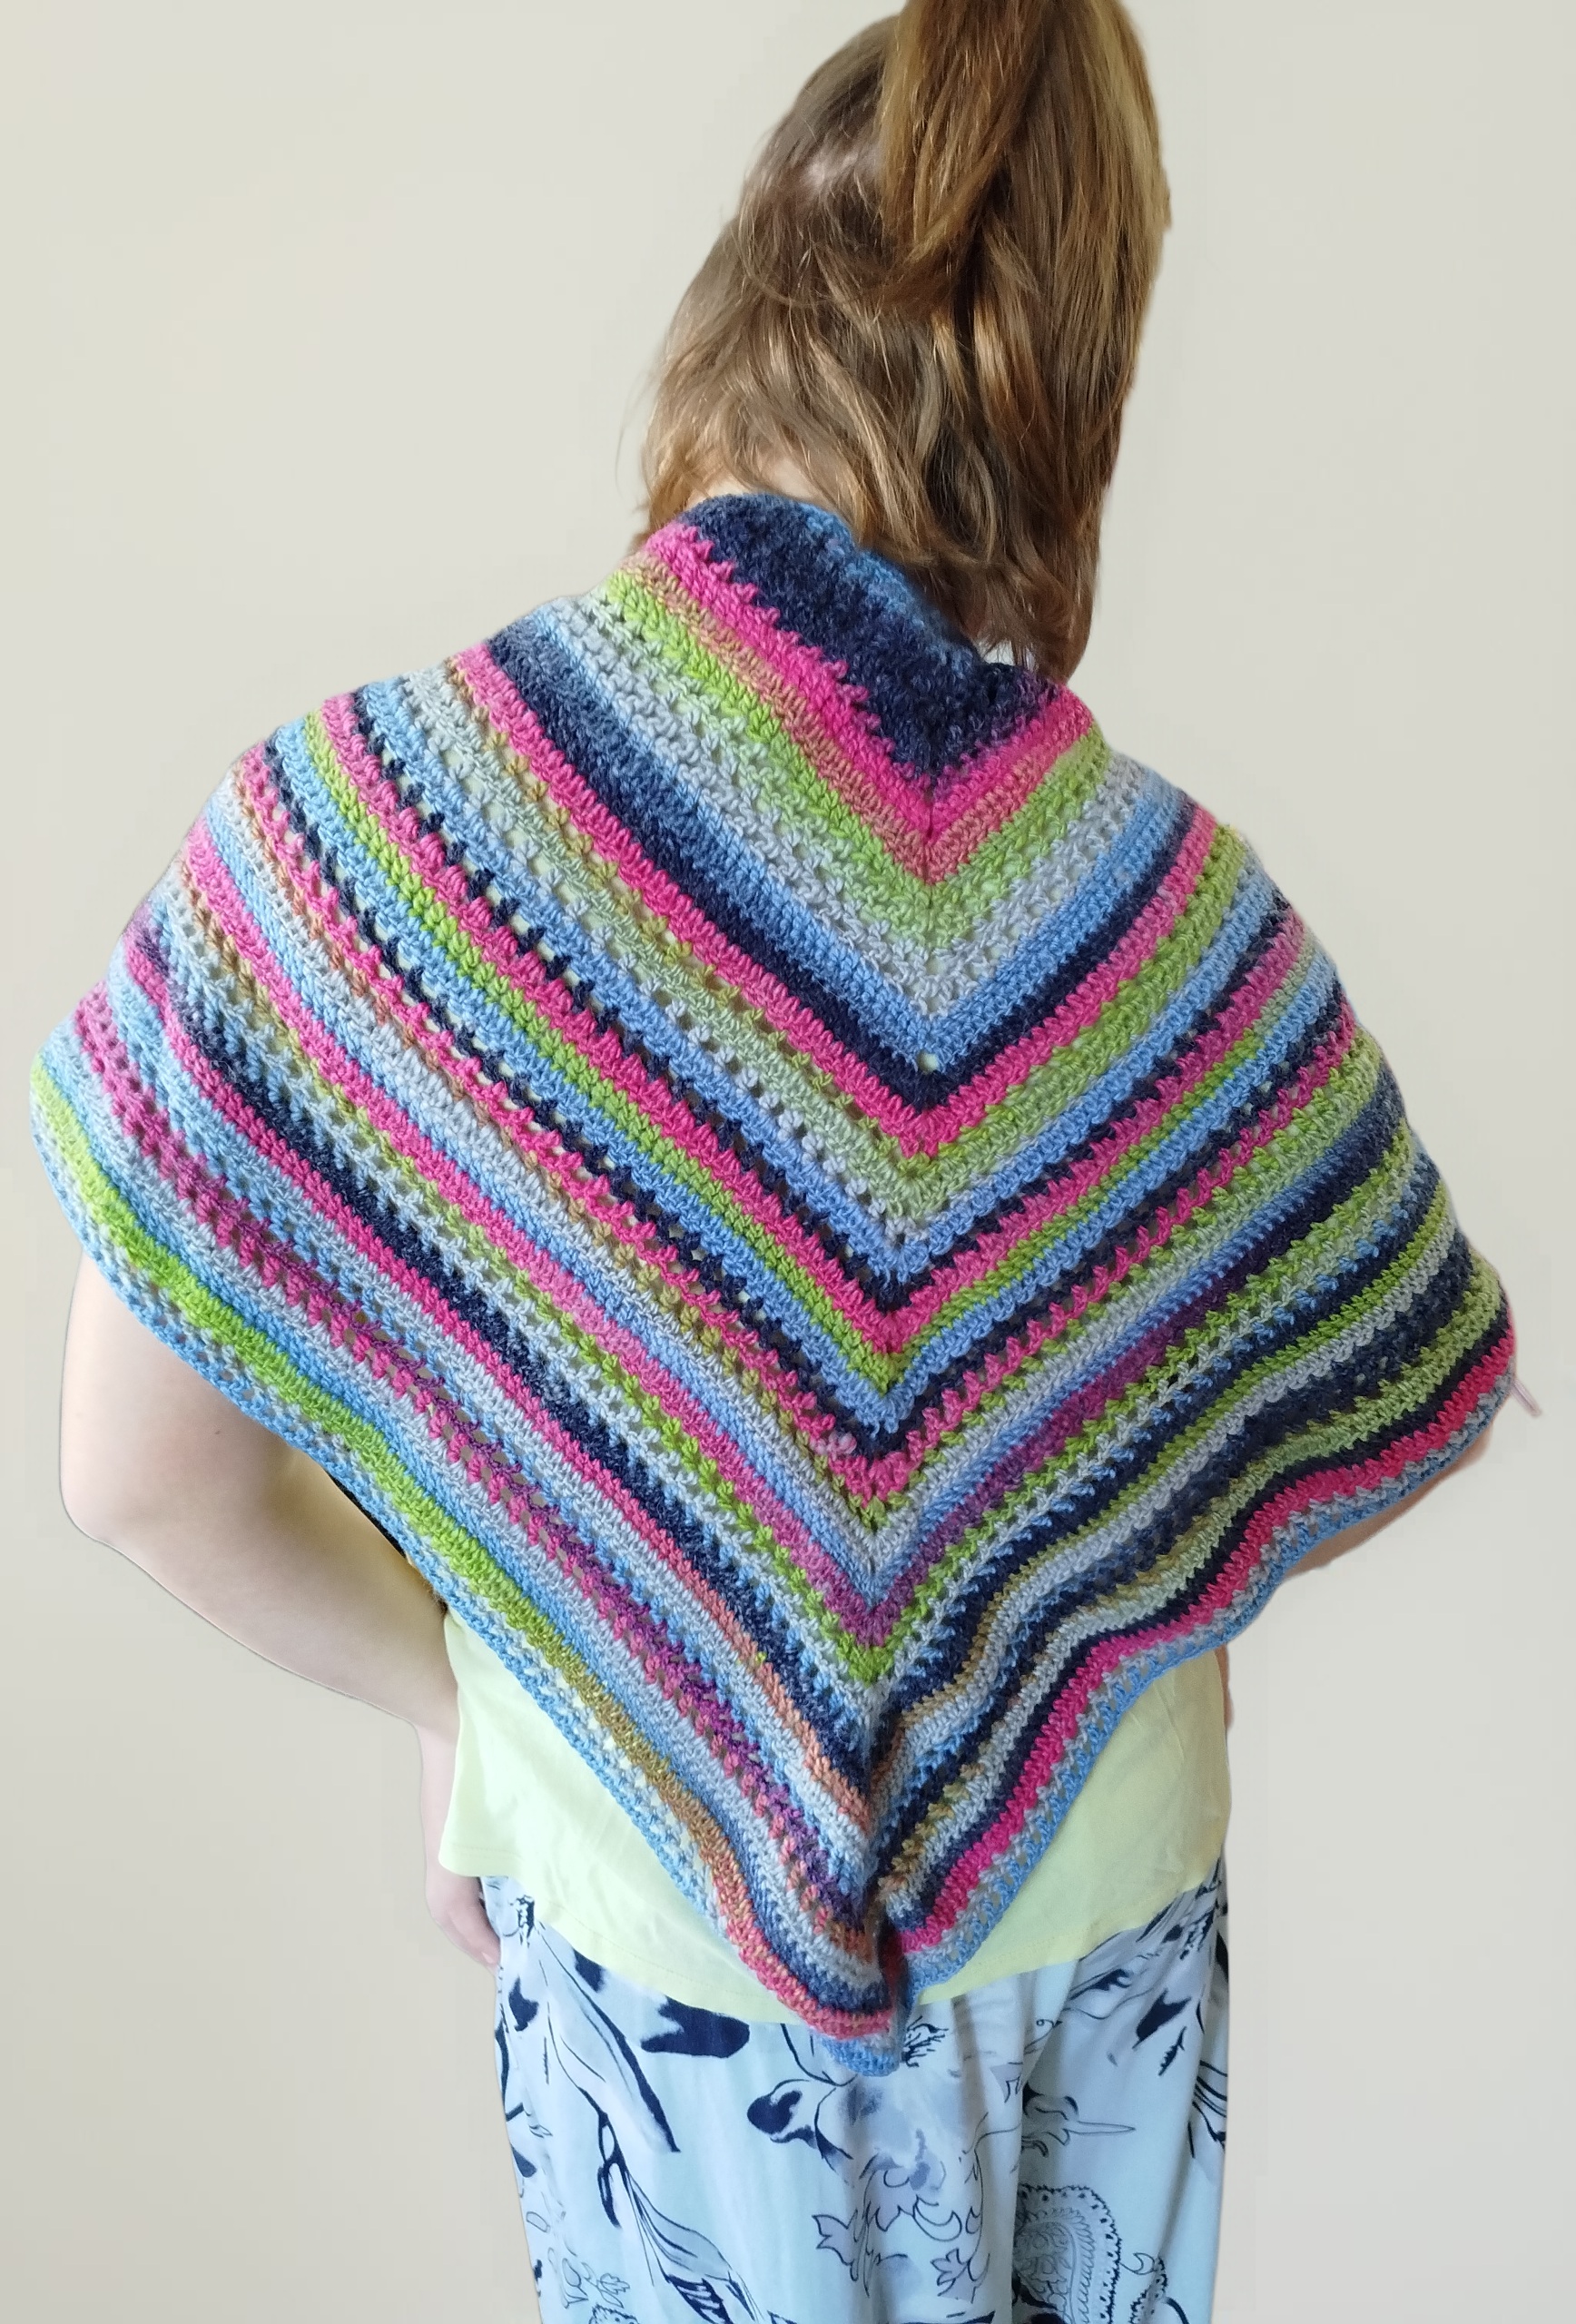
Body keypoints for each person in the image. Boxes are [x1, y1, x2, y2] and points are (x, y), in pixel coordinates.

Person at [34, 4, 1512, 2319]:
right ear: (1068, 385)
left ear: (742, 301)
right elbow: (1381, 1354)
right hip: (1099, 1902)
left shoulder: (377, 839)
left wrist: (478, 1699)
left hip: (653, 1917)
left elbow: (138, 1469)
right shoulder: (1171, 919)